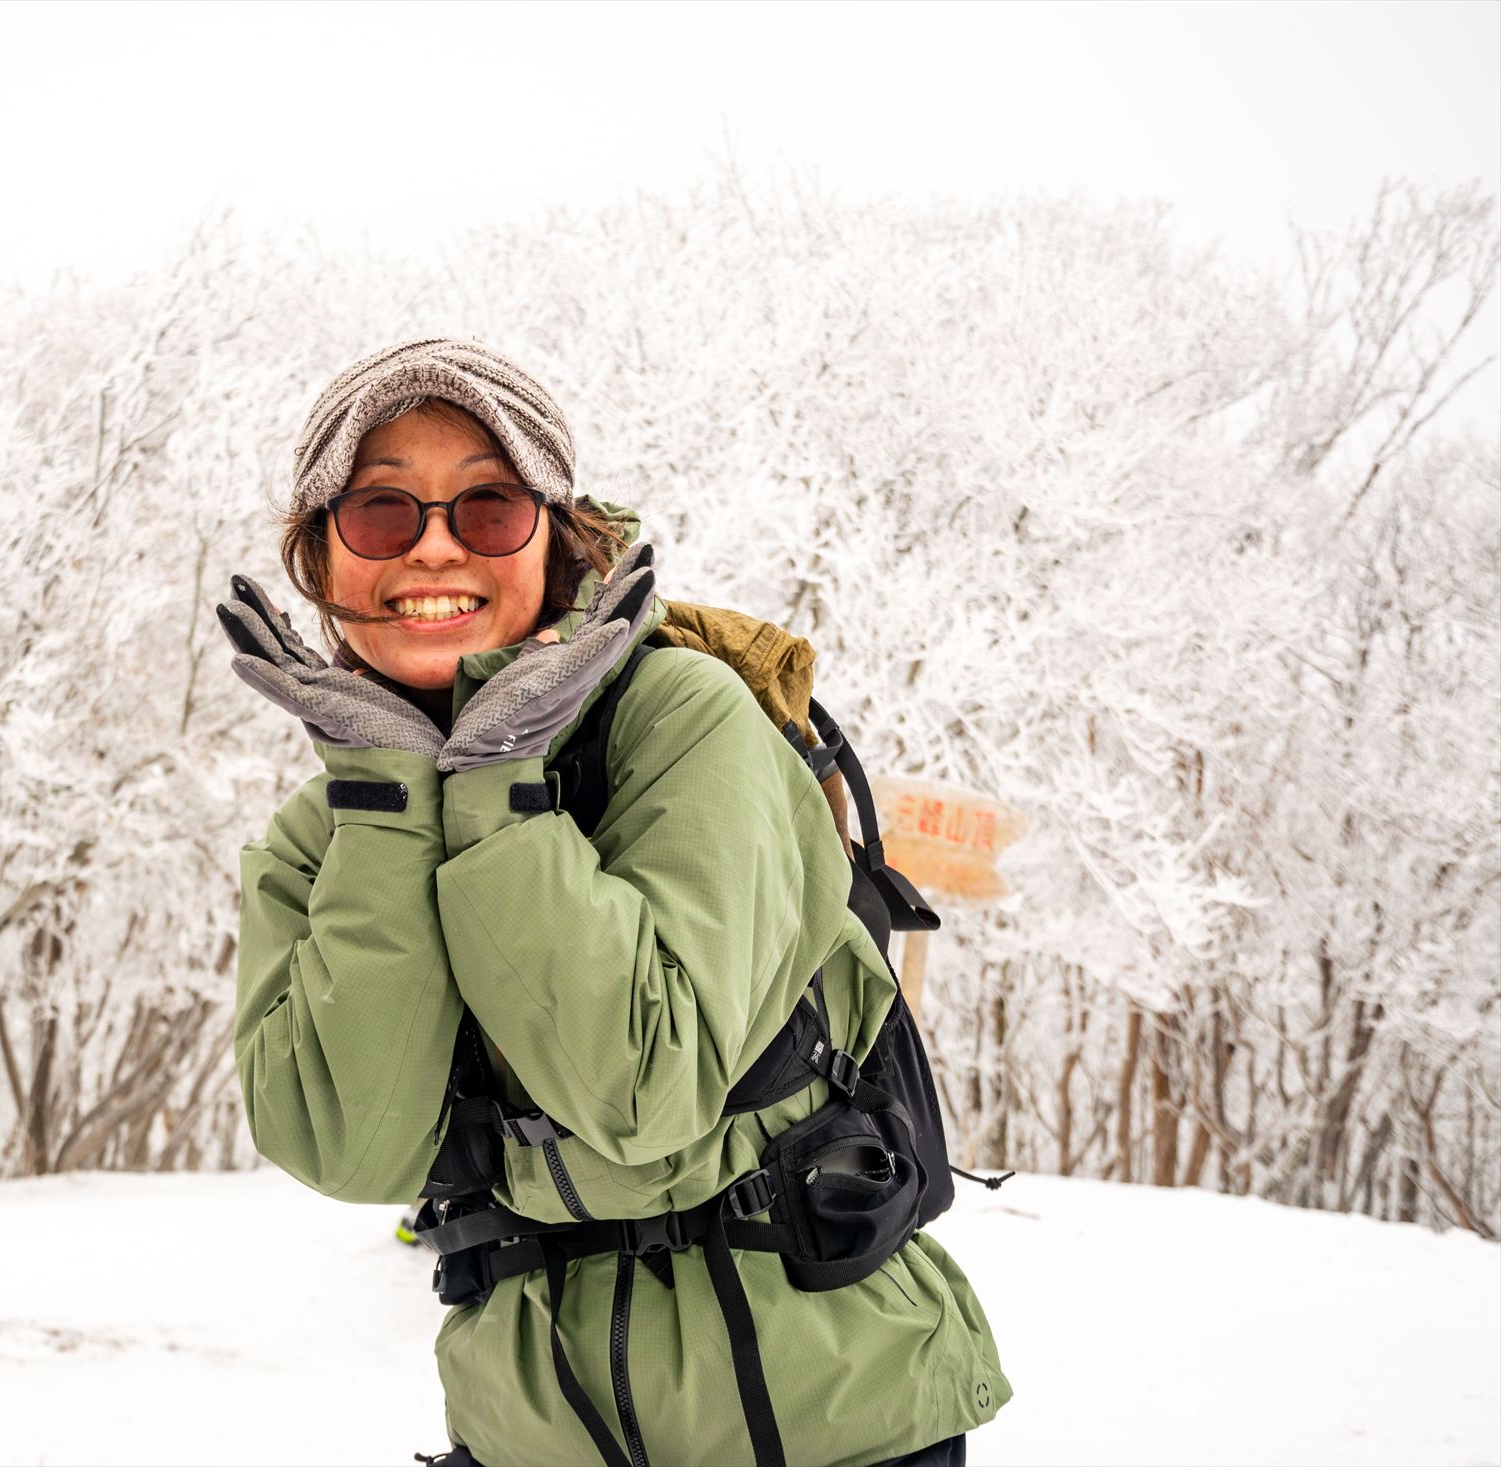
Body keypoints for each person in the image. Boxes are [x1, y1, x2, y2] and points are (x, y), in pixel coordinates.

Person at [221, 338, 1010, 1467]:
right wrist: (390, 800)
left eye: (488, 509)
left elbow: (642, 1091)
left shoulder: (681, 720)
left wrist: (497, 787)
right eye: (381, 514)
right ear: (320, 559)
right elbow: (351, 1151)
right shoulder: (333, 827)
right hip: (529, 1438)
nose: (433, 547)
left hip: (828, 1427)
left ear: (557, 535)